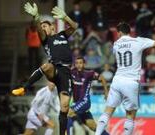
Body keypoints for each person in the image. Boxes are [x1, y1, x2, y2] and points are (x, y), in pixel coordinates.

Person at [95, 22, 155, 135]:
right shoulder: (138, 41)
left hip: (117, 80)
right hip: (131, 81)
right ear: (129, 32)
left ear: (119, 33)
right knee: (130, 116)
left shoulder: (116, 44)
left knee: (108, 111)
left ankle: (97, 133)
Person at [12, 2, 78, 135]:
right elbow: (38, 29)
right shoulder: (45, 39)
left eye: (45, 26)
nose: (42, 28)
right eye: (41, 27)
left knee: (64, 107)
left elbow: (74, 26)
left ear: (52, 27)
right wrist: (36, 16)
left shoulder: (62, 35)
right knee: (46, 66)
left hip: (66, 73)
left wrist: (65, 17)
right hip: (55, 69)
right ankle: (24, 88)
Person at [67, 56, 109, 135]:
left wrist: (106, 92)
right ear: (75, 64)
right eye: (77, 63)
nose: (79, 65)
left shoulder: (89, 74)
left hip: (85, 101)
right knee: (93, 127)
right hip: (77, 103)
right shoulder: (72, 73)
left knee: (70, 113)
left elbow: (102, 78)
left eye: (80, 63)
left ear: (84, 64)